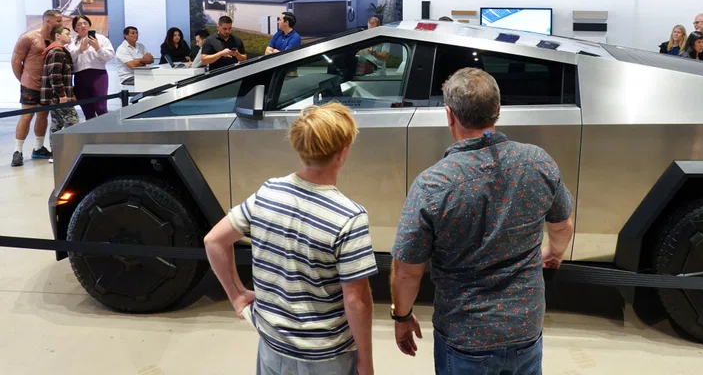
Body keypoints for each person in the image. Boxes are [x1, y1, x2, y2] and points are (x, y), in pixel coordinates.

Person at [390, 68, 575, 374]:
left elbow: (408, 272)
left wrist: (401, 316)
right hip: (526, 327)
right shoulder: (538, 161)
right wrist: (553, 253)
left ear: (450, 115)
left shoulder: (433, 185)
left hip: (465, 335)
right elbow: (563, 226)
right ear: (498, 110)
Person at [203, 103, 376, 375]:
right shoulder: (349, 217)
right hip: (325, 357)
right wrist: (366, 361)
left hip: (272, 346)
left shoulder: (268, 192)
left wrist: (237, 296)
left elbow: (214, 241)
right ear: (342, 153)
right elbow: (356, 301)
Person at [11, 9, 62, 166]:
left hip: (47, 87)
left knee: (43, 115)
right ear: (48, 21)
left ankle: (38, 148)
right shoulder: (29, 37)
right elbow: (16, 61)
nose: (61, 23)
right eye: (58, 21)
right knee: (27, 116)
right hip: (30, 85)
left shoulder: (56, 38)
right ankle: (17, 151)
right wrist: (24, 80)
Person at [68, 15, 116, 119]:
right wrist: (79, 50)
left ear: (89, 25)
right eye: (79, 24)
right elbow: (68, 59)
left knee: (101, 108)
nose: (83, 26)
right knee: (87, 109)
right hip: (79, 76)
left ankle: (106, 128)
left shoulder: (101, 39)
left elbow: (110, 56)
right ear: (75, 28)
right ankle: (91, 129)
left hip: (98, 75)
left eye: (85, 23)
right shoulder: (71, 42)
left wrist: (98, 48)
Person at [40, 26, 79, 137]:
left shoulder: (55, 51)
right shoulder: (57, 51)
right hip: (58, 97)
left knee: (57, 124)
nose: (70, 36)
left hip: (57, 96)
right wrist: (62, 95)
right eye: (67, 34)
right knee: (73, 122)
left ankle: (57, 148)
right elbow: (55, 76)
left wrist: (70, 94)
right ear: (57, 35)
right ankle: (68, 147)